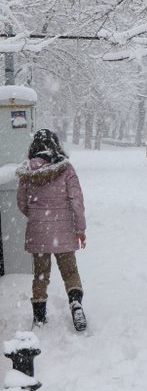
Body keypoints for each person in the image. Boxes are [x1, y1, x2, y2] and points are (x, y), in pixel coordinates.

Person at [16, 129, 88, 331]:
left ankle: (39, 315)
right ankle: (75, 303)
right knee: (70, 271)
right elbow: (77, 201)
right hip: (64, 229)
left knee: (40, 274)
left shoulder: (27, 171)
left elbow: (21, 202)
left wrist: (36, 217)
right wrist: (80, 228)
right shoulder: (66, 169)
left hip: (38, 231)